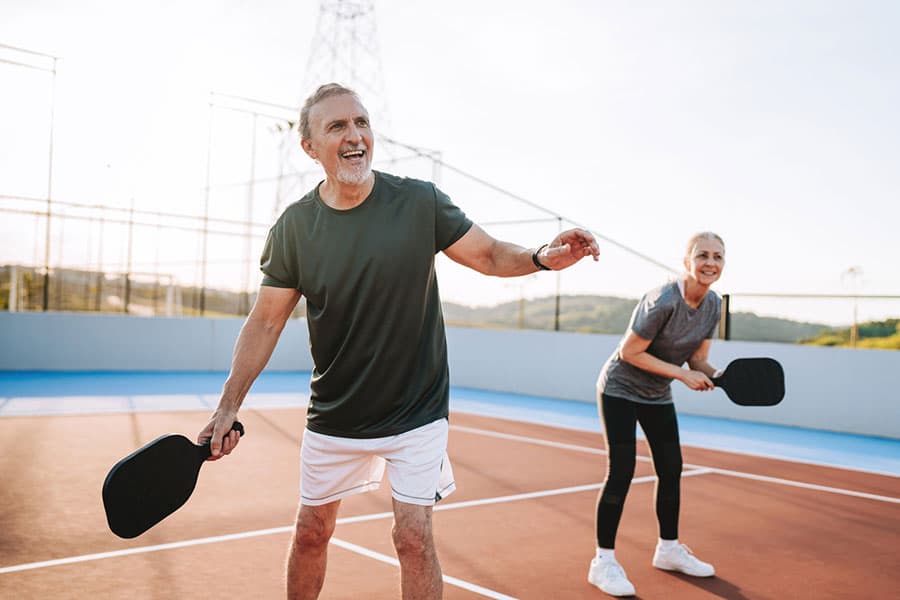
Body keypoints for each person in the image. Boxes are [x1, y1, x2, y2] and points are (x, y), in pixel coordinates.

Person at [197, 82, 600, 600]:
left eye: (361, 122)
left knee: (412, 537)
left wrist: (543, 255)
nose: (355, 135)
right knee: (311, 533)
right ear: (310, 148)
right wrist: (228, 404)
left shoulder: (419, 202)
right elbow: (266, 321)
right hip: (337, 412)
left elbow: (491, 255)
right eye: (337, 126)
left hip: (417, 409)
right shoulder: (295, 227)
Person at [588, 232, 725, 597]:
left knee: (671, 468)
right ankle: (602, 562)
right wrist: (682, 374)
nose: (710, 263)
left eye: (718, 257)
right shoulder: (662, 299)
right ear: (687, 262)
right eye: (702, 255)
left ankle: (668, 549)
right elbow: (629, 352)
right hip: (619, 388)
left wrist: (716, 376)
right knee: (622, 471)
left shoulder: (714, 305)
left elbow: (698, 359)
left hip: (656, 393)